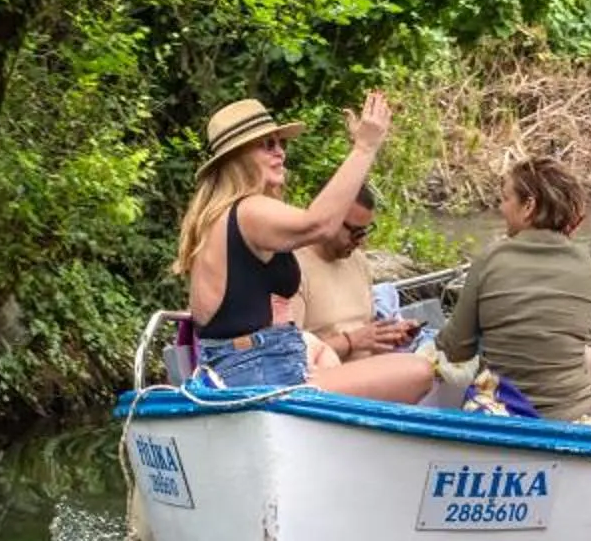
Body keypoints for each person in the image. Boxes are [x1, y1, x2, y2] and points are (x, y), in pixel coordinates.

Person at [175, 94, 432, 402]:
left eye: (280, 143)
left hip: (250, 367)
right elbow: (320, 224)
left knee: (321, 351)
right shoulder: (248, 211)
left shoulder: (221, 217)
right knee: (419, 371)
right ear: (239, 156)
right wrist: (365, 147)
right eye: (268, 145)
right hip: (259, 376)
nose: (280, 152)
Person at [433, 156, 591, 423]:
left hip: (500, 409)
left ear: (528, 206)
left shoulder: (489, 258)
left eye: (505, 199)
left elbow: (457, 349)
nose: (501, 208)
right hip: (573, 415)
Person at [295, 184, 418, 364]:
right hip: (327, 379)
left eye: (365, 231)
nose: (360, 241)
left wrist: (390, 335)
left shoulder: (358, 262)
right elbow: (290, 357)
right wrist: (351, 342)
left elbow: (365, 332)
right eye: (354, 231)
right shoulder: (293, 268)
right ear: (324, 217)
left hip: (369, 368)